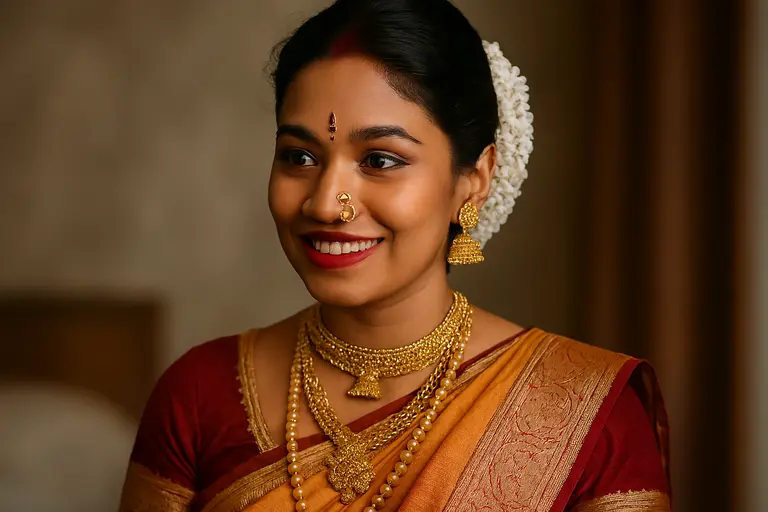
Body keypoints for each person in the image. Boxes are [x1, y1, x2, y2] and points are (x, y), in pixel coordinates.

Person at [119, 0, 671, 510]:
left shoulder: (583, 411)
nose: (325, 204)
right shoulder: (199, 394)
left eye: (380, 160)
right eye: (299, 156)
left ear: (475, 179)